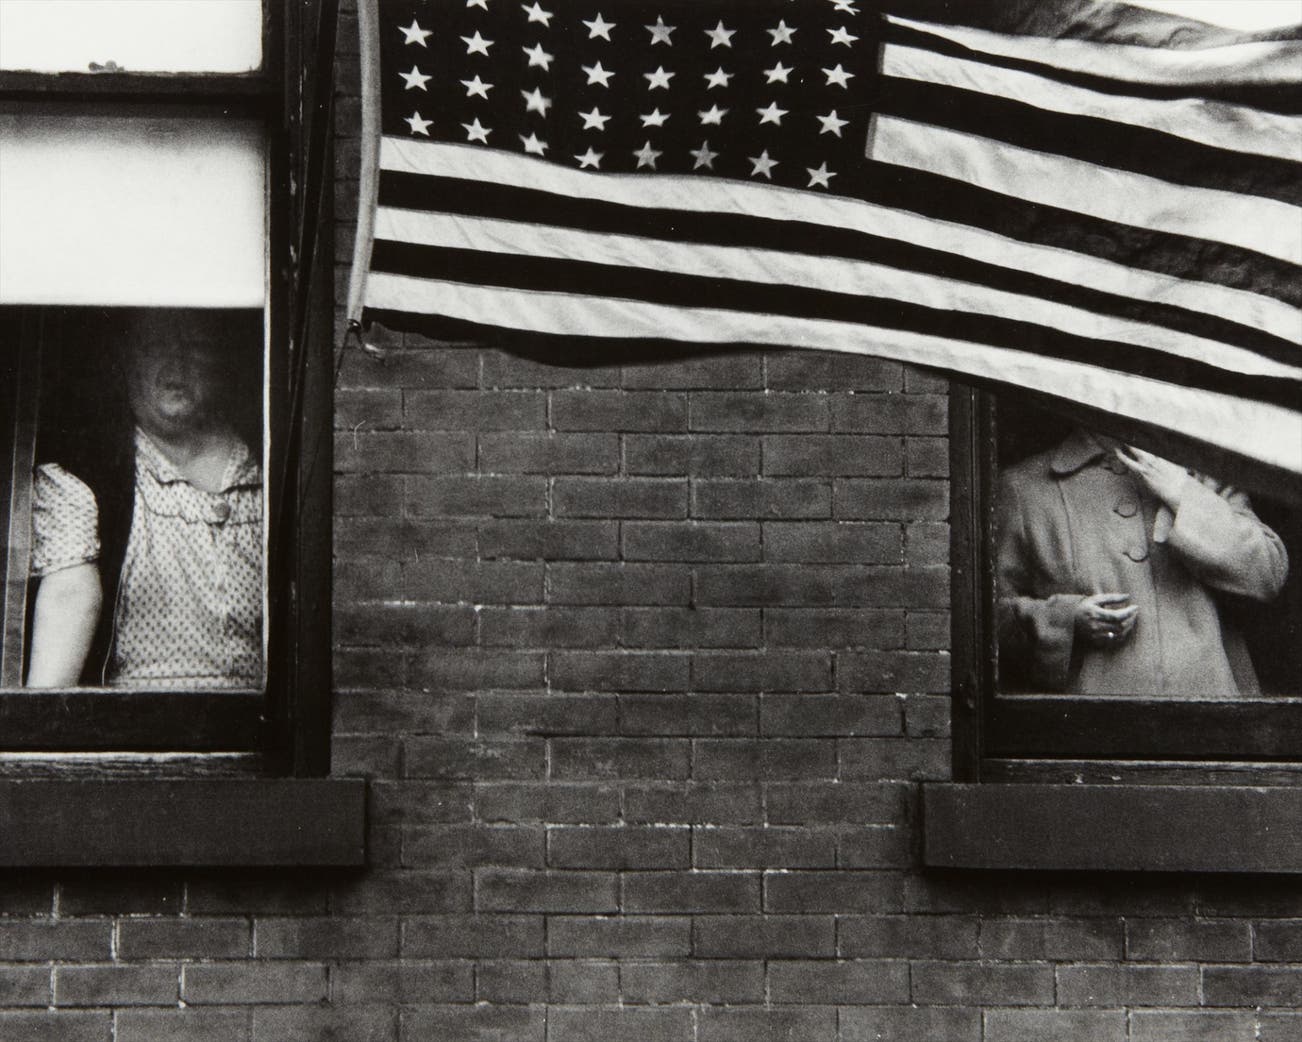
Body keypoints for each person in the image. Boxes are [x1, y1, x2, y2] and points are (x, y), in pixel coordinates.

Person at [25, 310, 262, 688]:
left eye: (196, 346)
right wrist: (40, 720)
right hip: (139, 718)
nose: (177, 362)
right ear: (126, 358)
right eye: (155, 345)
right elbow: (69, 597)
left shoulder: (267, 471)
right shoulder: (88, 476)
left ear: (221, 360)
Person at [996, 427, 1288, 698]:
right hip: (1092, 720)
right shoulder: (1025, 486)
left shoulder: (1204, 472)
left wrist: (1183, 493)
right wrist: (1066, 620)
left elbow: (1268, 573)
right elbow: (987, 619)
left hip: (1212, 714)